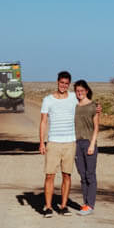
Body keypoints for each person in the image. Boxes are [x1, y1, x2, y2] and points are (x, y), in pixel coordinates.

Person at [39, 70, 77, 216]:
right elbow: (43, 122)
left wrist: (97, 108)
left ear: (69, 84)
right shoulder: (48, 100)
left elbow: (88, 104)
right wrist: (42, 142)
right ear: (57, 82)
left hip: (70, 142)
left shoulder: (74, 98)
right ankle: (48, 207)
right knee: (50, 175)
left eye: (66, 84)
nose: (63, 86)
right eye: (62, 83)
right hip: (53, 142)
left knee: (67, 175)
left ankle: (63, 205)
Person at [73, 79, 99, 215]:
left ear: (87, 91)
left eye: (82, 91)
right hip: (76, 143)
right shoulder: (74, 106)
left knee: (90, 175)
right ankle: (85, 203)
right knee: (82, 175)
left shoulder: (93, 106)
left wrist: (92, 144)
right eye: (77, 91)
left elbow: (96, 127)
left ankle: (90, 205)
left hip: (89, 143)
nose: (79, 93)